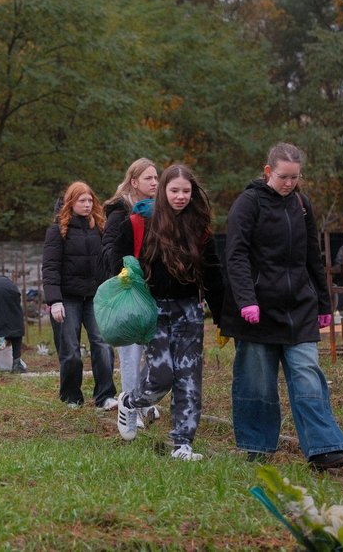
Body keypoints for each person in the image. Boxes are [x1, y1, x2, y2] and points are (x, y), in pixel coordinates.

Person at [220, 142, 343, 471]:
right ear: (268, 172)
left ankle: (324, 447)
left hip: (298, 308)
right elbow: (235, 255)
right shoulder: (248, 203)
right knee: (258, 382)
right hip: (257, 311)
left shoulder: (302, 205)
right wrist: (246, 299)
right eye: (283, 177)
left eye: (295, 177)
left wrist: (323, 302)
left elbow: (312, 256)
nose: (290, 183)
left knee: (307, 375)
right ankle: (257, 446)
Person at [114, 165, 224, 462]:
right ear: (163, 191)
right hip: (153, 308)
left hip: (189, 310)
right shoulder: (139, 223)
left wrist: (222, 317)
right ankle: (130, 402)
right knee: (161, 376)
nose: (180, 196)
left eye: (186, 191)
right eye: (174, 190)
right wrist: (123, 280)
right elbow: (116, 258)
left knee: (189, 379)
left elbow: (213, 273)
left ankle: (182, 444)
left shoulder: (199, 227)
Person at [41, 181, 116, 409]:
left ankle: (105, 396)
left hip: (95, 297)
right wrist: (54, 301)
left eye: (90, 200)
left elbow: (108, 262)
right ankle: (71, 396)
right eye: (82, 200)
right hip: (67, 298)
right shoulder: (57, 231)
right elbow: (50, 267)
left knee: (103, 345)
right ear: (71, 203)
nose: (87, 204)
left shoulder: (100, 228)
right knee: (71, 351)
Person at [101, 157, 159, 424]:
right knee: (131, 353)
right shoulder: (120, 213)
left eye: (156, 178)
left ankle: (144, 399)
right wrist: (126, 274)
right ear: (134, 182)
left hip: (155, 289)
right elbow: (109, 250)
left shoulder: (160, 211)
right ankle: (130, 408)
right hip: (130, 289)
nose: (155, 183)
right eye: (149, 178)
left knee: (157, 351)